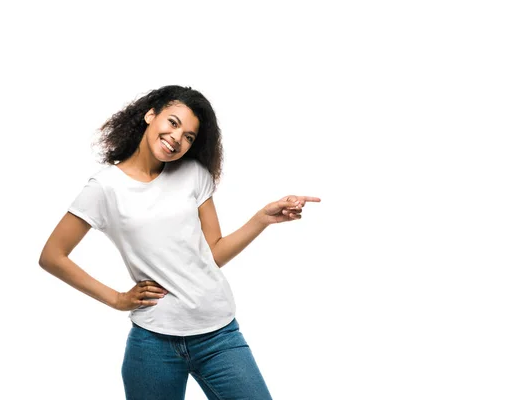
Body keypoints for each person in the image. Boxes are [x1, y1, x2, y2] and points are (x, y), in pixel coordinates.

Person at [38, 85, 321, 400]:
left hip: (219, 334)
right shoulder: (105, 188)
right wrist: (117, 299)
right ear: (150, 115)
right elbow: (52, 256)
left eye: (189, 136)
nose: (177, 138)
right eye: (173, 123)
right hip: (153, 343)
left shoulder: (193, 173)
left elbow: (213, 253)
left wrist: (261, 219)